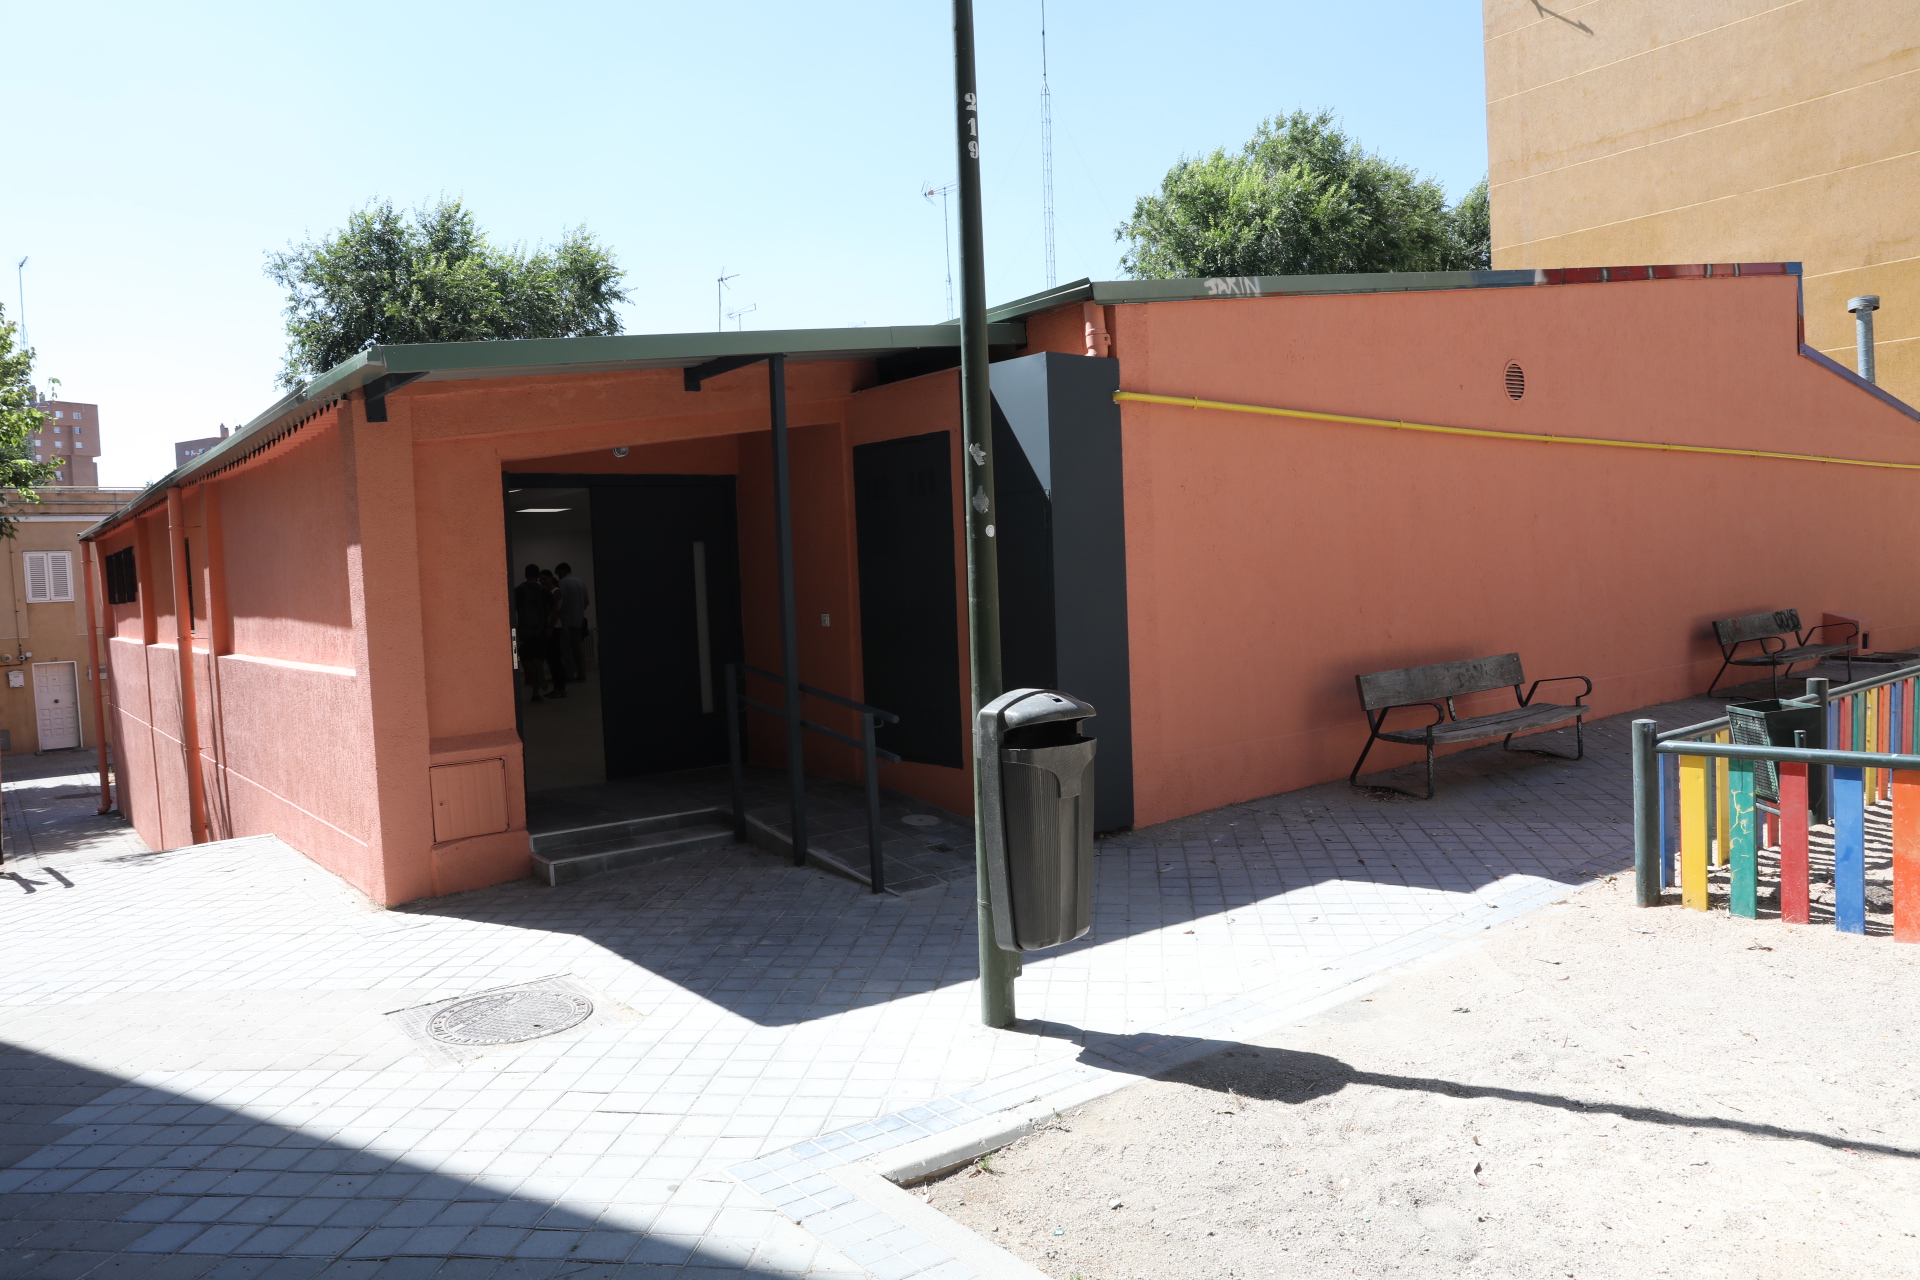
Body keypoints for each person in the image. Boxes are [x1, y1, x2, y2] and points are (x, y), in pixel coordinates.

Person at [513, 564, 552, 701]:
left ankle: (535, 672)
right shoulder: (544, 590)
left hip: (524, 631)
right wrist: (550, 627)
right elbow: (555, 610)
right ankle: (535, 694)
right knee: (538, 660)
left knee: (526, 661)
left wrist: (516, 629)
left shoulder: (518, 590)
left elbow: (511, 611)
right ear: (538, 575)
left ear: (525, 575)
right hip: (540, 631)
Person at [555, 562, 590, 682]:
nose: (558, 576)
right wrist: (579, 612)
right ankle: (581, 674)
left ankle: (569, 674)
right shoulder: (581, 583)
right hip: (578, 620)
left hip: (565, 620)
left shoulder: (562, 583)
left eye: (558, 573)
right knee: (577, 648)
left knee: (566, 648)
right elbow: (586, 602)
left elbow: (559, 600)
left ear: (562, 571)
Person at [538, 569, 567, 698]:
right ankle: (558, 687)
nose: (542, 581)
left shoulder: (556, 592)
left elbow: (551, 610)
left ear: (551, 578)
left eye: (544, 578)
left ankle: (560, 688)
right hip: (551, 627)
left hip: (554, 627)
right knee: (552, 659)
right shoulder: (547, 592)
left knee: (555, 659)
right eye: (541, 579)